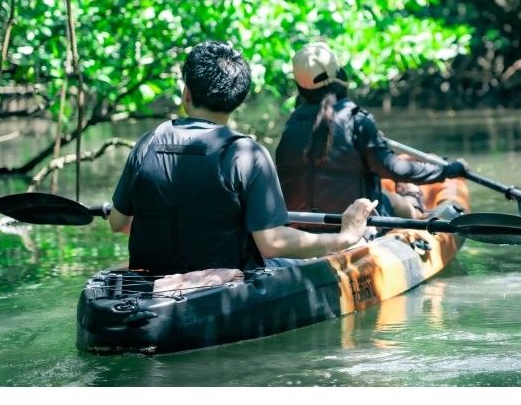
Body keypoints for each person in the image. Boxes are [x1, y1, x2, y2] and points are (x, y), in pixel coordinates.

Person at [108, 40, 376, 275]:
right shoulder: (247, 154)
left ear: (186, 93)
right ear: (239, 99)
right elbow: (272, 244)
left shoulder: (147, 142)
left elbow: (118, 222)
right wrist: (346, 236)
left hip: (152, 281)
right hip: (227, 284)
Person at [275, 42, 469, 219]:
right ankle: (415, 205)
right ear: (339, 76)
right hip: (353, 224)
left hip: (300, 224)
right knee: (396, 201)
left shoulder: (291, 124)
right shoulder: (358, 121)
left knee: (385, 194)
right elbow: (394, 168)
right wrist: (447, 171)